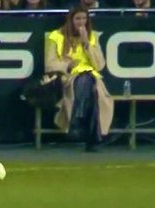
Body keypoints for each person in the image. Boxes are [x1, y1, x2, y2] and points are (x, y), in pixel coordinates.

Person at [45, 6, 113, 152]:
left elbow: (99, 65)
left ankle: (78, 119)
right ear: (71, 20)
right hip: (68, 78)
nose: (81, 22)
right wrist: (68, 65)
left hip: (91, 77)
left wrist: (86, 44)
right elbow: (49, 64)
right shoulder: (56, 36)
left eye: (84, 18)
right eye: (77, 19)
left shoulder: (92, 37)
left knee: (90, 85)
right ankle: (94, 139)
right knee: (89, 88)